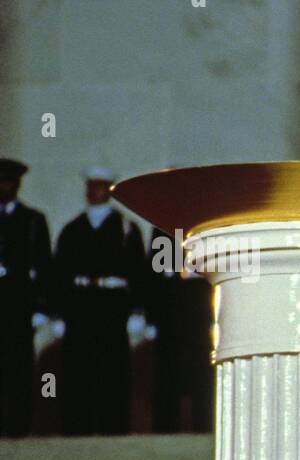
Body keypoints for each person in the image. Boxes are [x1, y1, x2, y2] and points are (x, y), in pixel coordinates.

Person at [52, 167, 147, 435]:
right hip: (80, 304)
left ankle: (113, 429)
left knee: (113, 369)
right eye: (91, 186)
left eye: (101, 186)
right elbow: (60, 273)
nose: (94, 191)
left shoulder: (127, 229)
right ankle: (76, 430)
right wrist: (57, 314)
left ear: (110, 190)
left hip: (112, 304)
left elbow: (138, 272)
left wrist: (138, 312)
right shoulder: (73, 228)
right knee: (78, 369)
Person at [0, 158, 52, 437]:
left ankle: (19, 428)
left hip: (18, 307)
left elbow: (42, 265)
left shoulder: (32, 220)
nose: (3, 187)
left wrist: (42, 307)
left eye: (8, 181)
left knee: (19, 369)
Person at [147, 227, 215, 432]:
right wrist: (150, 318)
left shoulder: (208, 225)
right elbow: (154, 276)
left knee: (202, 372)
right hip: (170, 308)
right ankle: (164, 431)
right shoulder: (162, 227)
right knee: (167, 372)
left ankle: (204, 428)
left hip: (200, 306)